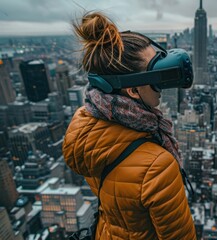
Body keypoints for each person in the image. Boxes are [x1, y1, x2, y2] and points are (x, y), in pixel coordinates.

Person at [62, 11, 196, 239]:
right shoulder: (158, 166)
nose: (161, 87)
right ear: (133, 90)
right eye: (156, 78)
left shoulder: (87, 126)